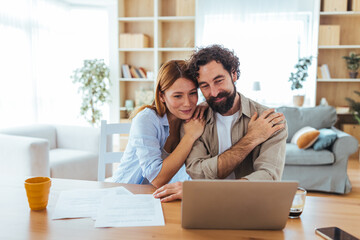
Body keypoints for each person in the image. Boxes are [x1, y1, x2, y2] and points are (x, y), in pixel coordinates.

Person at [153, 44, 287, 202]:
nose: (214, 92)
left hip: (249, 202)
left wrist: (208, 191)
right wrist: (251, 138)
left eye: (219, 80)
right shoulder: (194, 119)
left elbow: (269, 177)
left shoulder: (269, 121)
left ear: (234, 74)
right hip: (205, 203)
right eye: (205, 86)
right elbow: (197, 171)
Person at [112, 60, 206, 189]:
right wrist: (190, 137)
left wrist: (207, 104)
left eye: (192, 93)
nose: (187, 103)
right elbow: (157, 179)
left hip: (160, 195)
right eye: (178, 96)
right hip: (128, 192)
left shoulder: (192, 119)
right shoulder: (146, 120)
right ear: (162, 96)